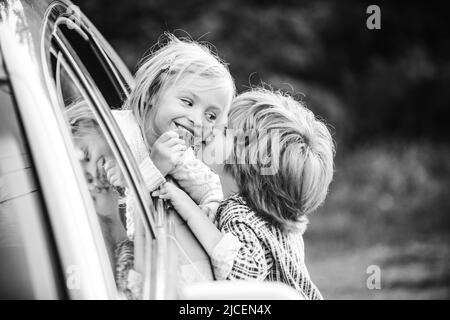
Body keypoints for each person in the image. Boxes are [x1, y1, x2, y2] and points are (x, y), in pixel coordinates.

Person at [153, 88, 335, 299]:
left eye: (224, 130)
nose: (210, 128)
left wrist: (190, 210)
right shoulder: (276, 220)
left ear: (247, 164)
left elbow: (242, 274)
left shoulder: (239, 215)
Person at [112, 32, 236, 238]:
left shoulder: (180, 154)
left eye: (211, 115)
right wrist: (155, 167)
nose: (198, 120)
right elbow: (120, 214)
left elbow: (209, 186)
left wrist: (210, 207)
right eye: (187, 102)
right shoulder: (116, 131)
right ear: (153, 93)